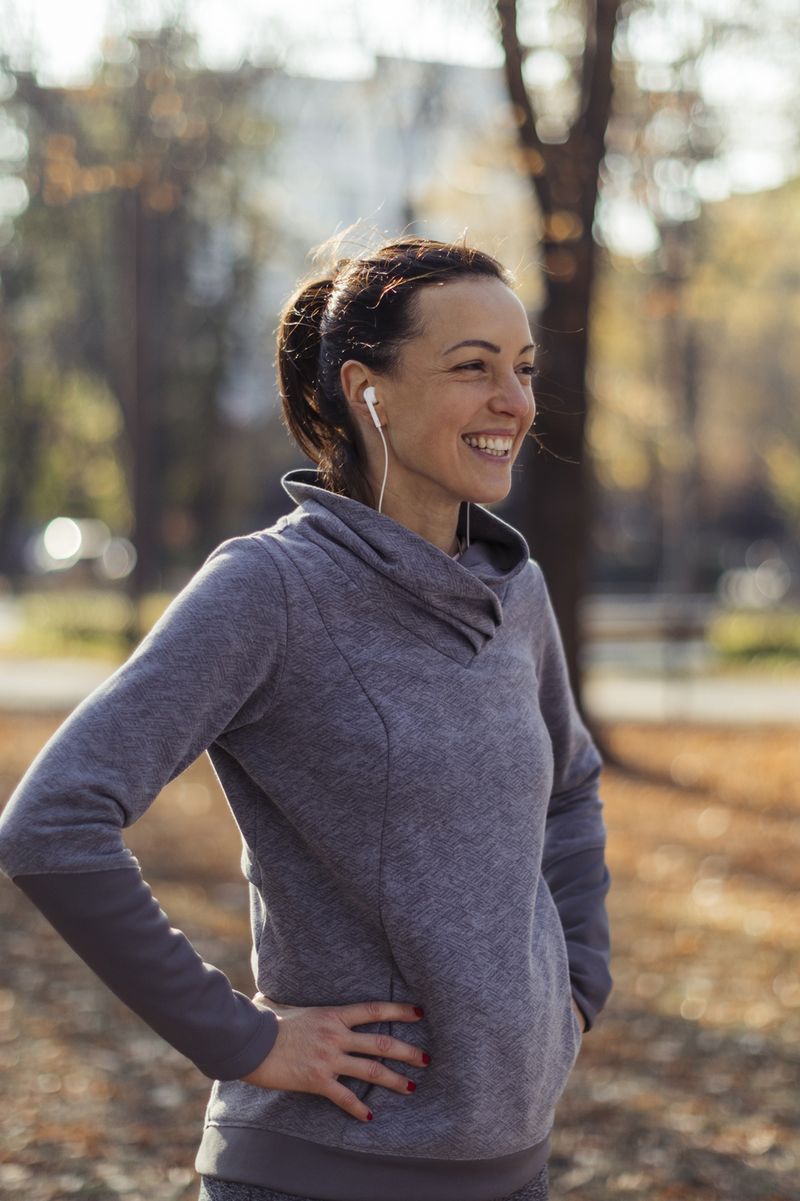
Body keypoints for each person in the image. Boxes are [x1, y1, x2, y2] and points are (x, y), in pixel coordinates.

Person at [0, 235, 612, 1201]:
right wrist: (241, 1038)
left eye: (524, 370)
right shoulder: (272, 588)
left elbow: (571, 786)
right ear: (367, 389)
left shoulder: (514, 587)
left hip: (512, 1169)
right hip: (324, 1175)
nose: (517, 403)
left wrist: (575, 985)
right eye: (474, 369)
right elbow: (52, 822)